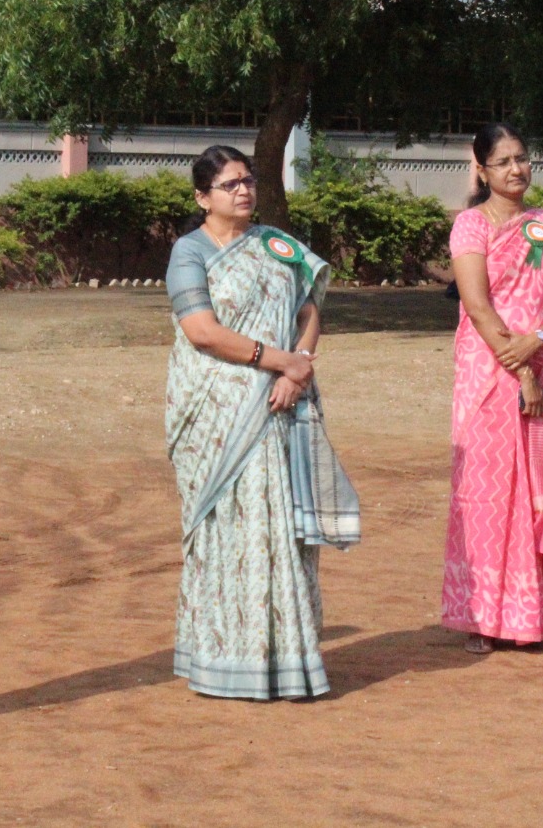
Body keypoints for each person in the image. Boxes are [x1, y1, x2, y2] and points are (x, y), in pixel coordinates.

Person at [164, 145, 360, 700]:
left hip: (279, 407)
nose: (244, 190)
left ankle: (287, 661)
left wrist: (296, 372)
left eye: (247, 180)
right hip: (216, 417)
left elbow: (308, 309)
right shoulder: (189, 252)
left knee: (280, 531)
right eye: (229, 185)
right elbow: (201, 330)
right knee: (228, 530)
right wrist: (277, 360)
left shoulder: (276, 244)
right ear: (203, 197)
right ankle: (224, 658)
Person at [443, 123, 543, 654]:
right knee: (488, 494)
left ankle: (533, 623)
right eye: (503, 161)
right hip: (489, 374)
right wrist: (521, 369)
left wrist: (537, 341)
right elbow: (479, 307)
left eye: (523, 158)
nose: (516, 169)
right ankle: (483, 619)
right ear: (481, 170)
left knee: (538, 491)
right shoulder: (470, 226)